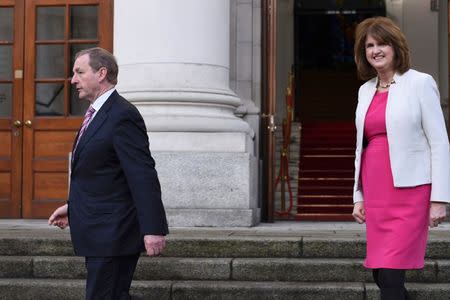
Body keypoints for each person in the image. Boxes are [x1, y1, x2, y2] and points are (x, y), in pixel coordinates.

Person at [48, 47, 169, 300]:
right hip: (99, 231)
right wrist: (73, 207)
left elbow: (142, 175)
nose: (72, 80)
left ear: (101, 73)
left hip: (114, 234)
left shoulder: (122, 115)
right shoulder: (96, 113)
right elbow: (102, 174)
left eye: (79, 72)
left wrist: (153, 228)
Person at [351, 17, 449, 300]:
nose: (375, 50)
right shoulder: (365, 89)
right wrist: (358, 197)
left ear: (396, 47)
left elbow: (439, 143)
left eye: (382, 43)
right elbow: (361, 146)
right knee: (380, 273)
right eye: (369, 45)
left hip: (410, 192)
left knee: (392, 272)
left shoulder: (420, 83)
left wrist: (439, 199)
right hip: (376, 191)